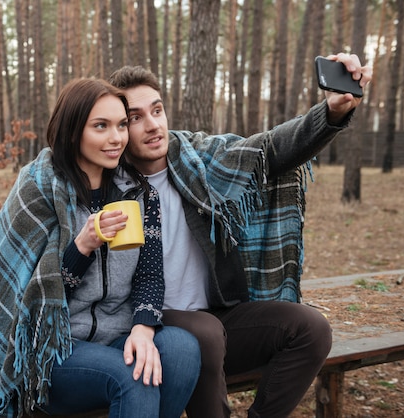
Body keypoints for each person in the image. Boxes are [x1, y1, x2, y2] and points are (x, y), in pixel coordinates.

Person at [109, 52, 373, 418]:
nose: (153, 126)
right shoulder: (107, 185)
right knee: (204, 332)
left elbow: (269, 149)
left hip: (218, 319)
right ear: (119, 127)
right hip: (146, 325)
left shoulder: (198, 160)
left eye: (157, 110)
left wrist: (332, 111)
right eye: (135, 118)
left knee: (310, 329)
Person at [0, 78, 200, 418]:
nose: (116, 138)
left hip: (118, 334)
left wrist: (143, 327)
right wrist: (82, 246)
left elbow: (150, 274)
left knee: (183, 350)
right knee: (132, 378)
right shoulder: (40, 191)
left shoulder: (137, 192)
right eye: (101, 126)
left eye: (122, 125)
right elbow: (29, 300)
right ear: (73, 131)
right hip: (56, 346)